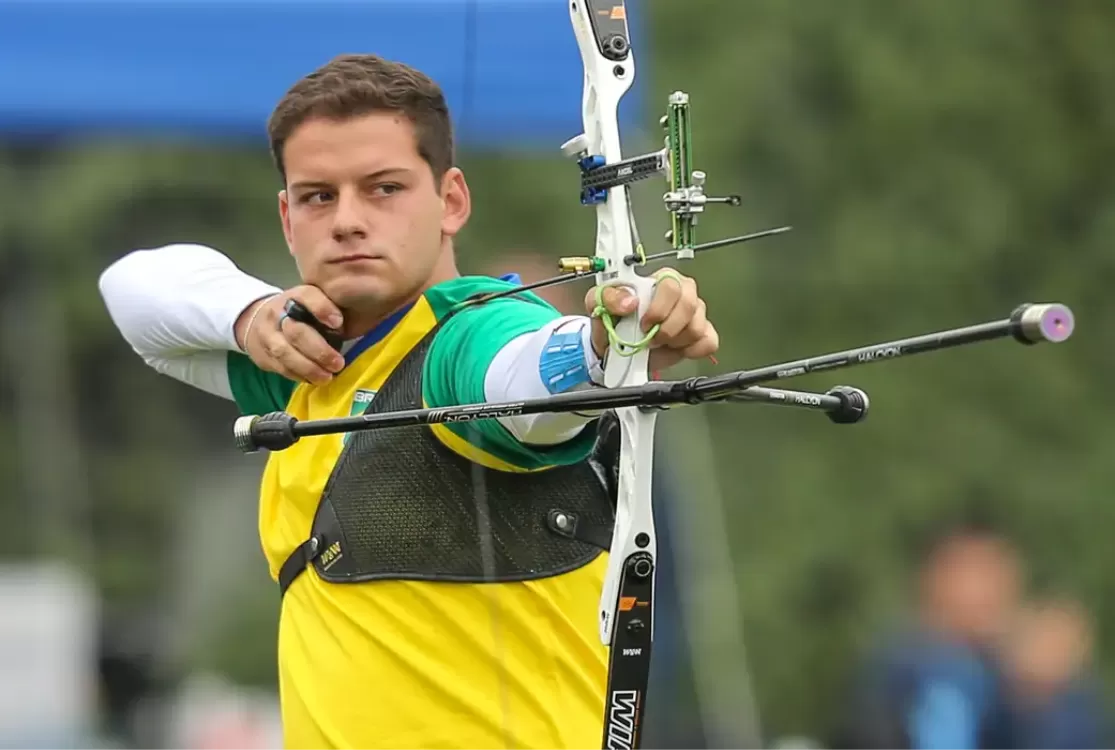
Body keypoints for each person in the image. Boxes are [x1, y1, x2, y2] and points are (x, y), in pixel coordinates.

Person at [97, 54, 720, 749]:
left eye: (383, 188)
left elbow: (520, 378)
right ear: (287, 217)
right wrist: (249, 316)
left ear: (451, 199)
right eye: (317, 196)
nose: (347, 221)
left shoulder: (472, 335)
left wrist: (605, 351)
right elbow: (133, 289)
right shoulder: (305, 365)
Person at [831, 515, 1023, 750]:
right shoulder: (933, 678)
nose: (996, 591)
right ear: (936, 580)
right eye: (982, 573)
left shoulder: (994, 673)